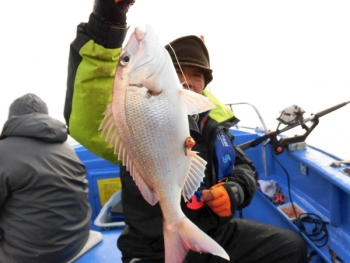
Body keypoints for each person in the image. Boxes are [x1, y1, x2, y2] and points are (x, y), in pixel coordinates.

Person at [64, 1, 307, 262]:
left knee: (291, 247)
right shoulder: (130, 112)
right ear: (167, 72)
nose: (188, 80)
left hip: (216, 232)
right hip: (152, 248)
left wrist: (234, 191)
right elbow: (89, 109)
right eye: (179, 71)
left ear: (204, 86)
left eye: (197, 75)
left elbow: (243, 167)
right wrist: (107, 19)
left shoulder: (215, 128)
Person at [0, 93, 92, 263]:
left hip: (30, 256)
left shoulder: (3, 151)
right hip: (76, 243)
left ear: (11, 118)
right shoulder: (65, 147)